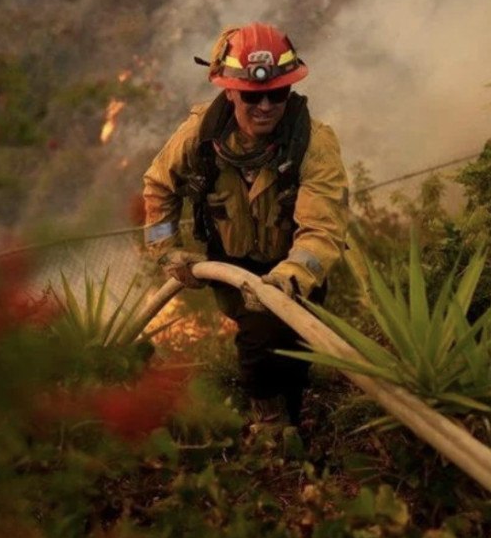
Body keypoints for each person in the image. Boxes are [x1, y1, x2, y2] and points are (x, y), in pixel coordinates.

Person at [142, 22, 348, 427]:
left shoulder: (313, 143)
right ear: (230, 90)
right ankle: (268, 433)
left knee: (294, 355)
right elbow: (157, 186)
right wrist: (166, 250)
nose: (266, 106)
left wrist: (288, 277)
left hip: (293, 271)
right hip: (234, 269)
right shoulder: (199, 136)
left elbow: (323, 229)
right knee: (261, 341)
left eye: (278, 93)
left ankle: (291, 427)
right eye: (254, 96)